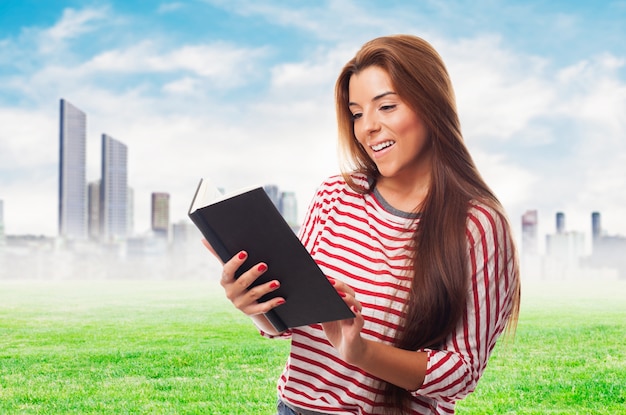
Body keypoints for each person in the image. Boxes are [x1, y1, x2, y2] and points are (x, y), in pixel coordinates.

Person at [208, 34, 521, 415]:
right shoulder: (334, 195)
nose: (367, 127)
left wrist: (362, 352)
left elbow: (461, 372)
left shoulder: (478, 225)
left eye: (386, 106)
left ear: (431, 106)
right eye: (357, 113)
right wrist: (254, 304)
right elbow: (288, 322)